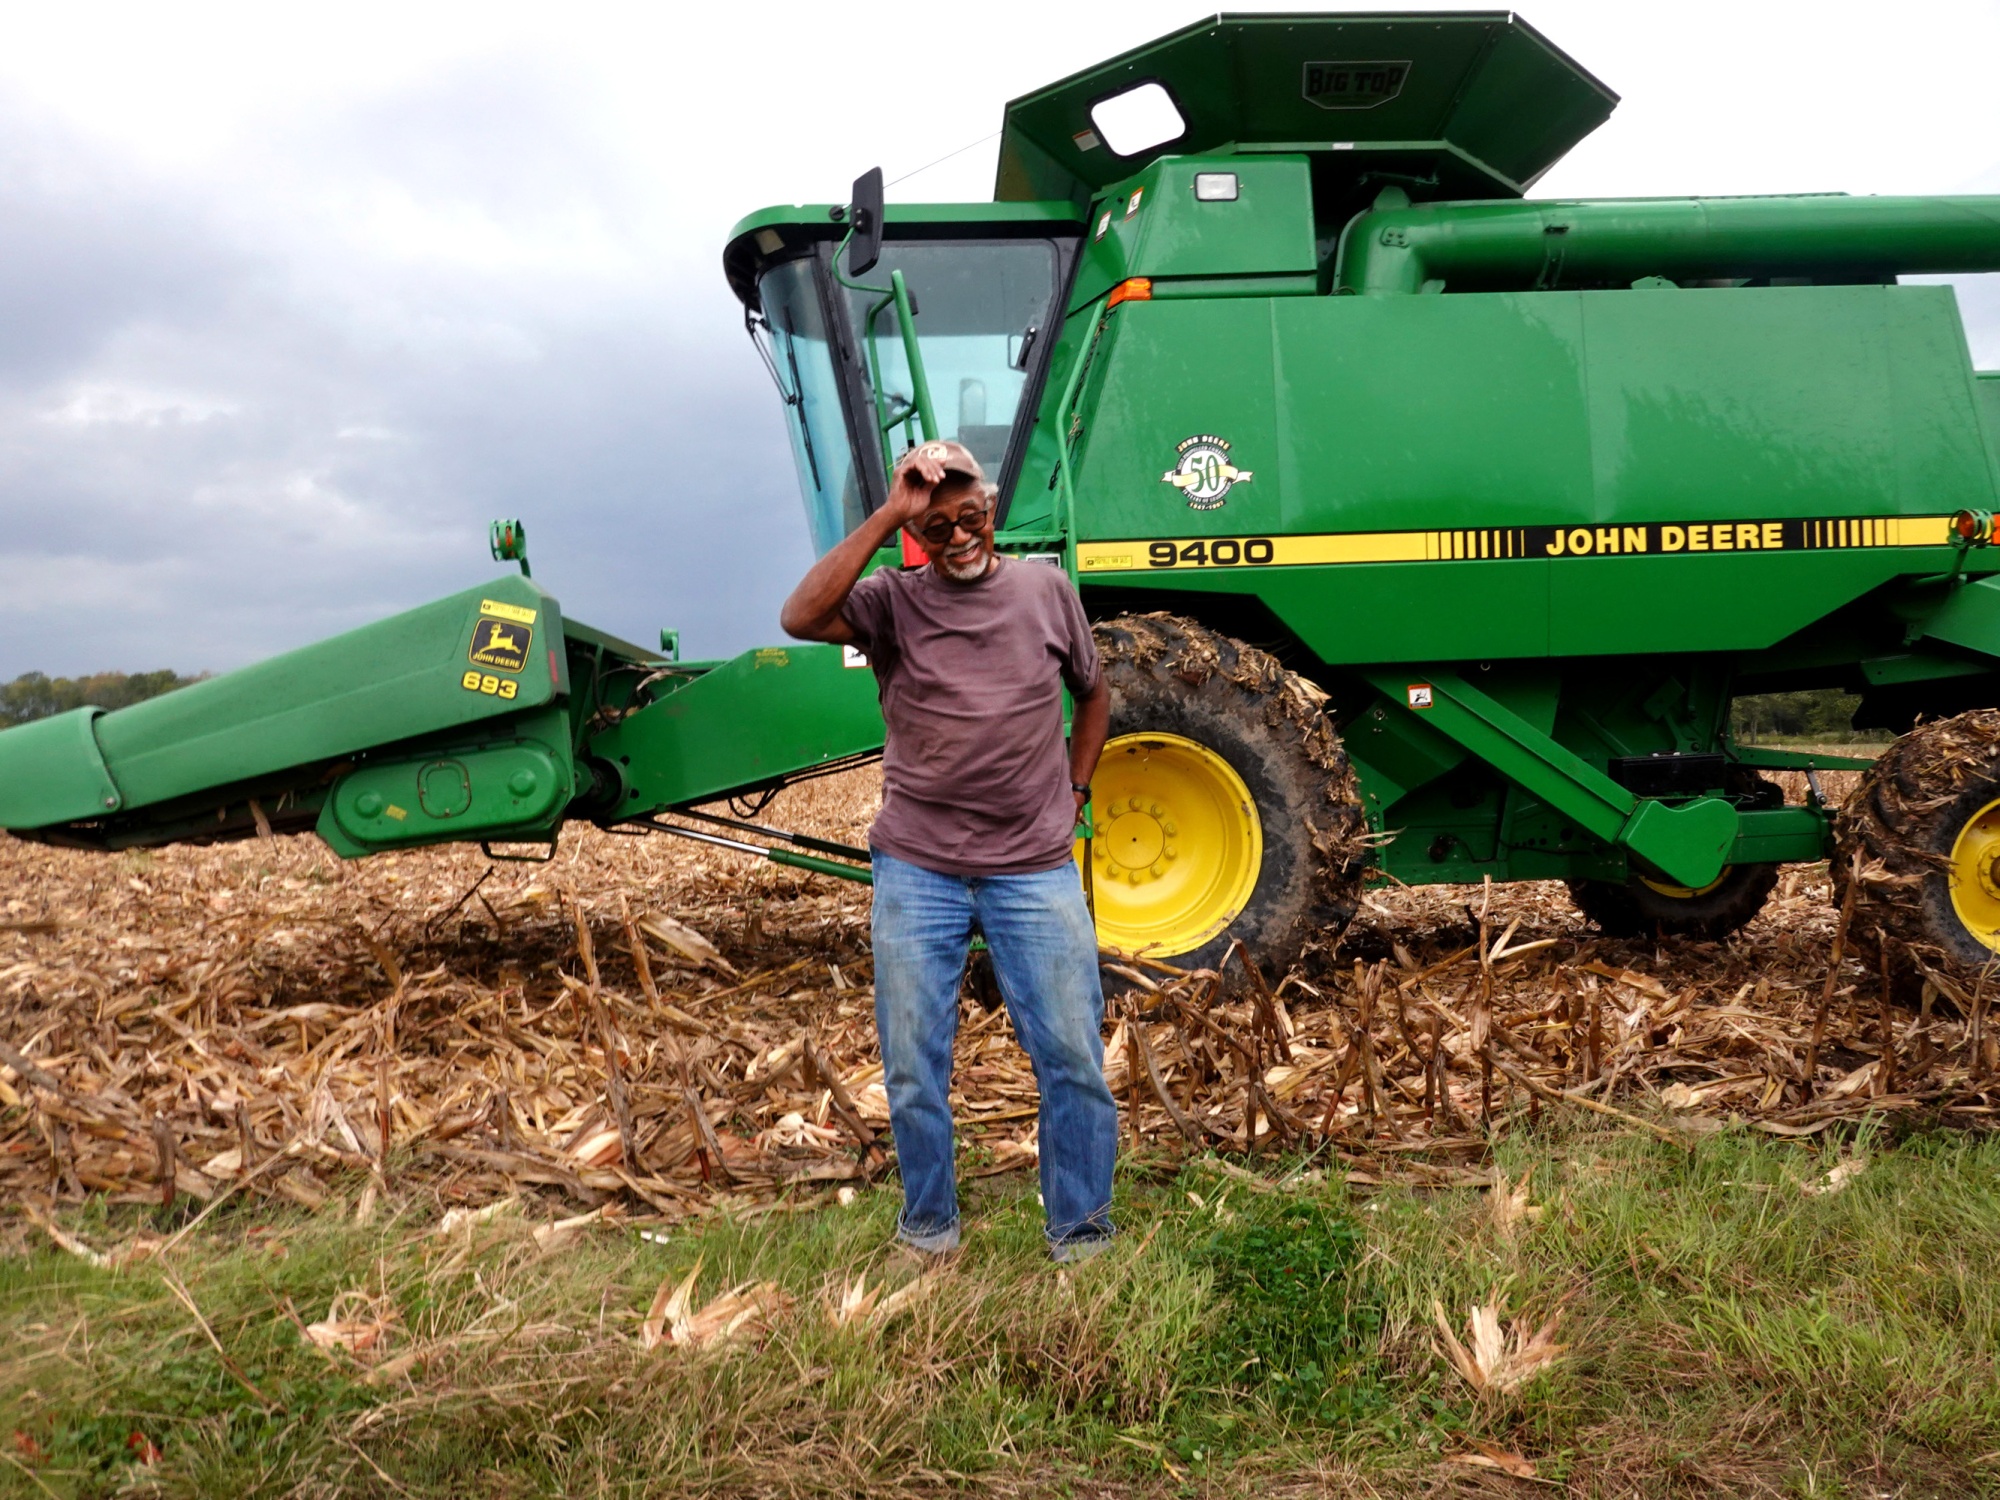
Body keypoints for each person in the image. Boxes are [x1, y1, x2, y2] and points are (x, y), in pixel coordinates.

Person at [780, 438, 1117, 1262]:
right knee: (913, 1065)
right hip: (918, 866)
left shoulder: (1046, 591)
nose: (959, 536)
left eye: (971, 517)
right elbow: (799, 616)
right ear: (917, 535)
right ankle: (929, 1226)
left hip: (1033, 865)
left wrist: (1074, 791)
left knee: (1072, 1053)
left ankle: (1080, 1229)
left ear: (992, 512)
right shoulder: (893, 602)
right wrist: (892, 510)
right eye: (937, 527)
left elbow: (1095, 692)